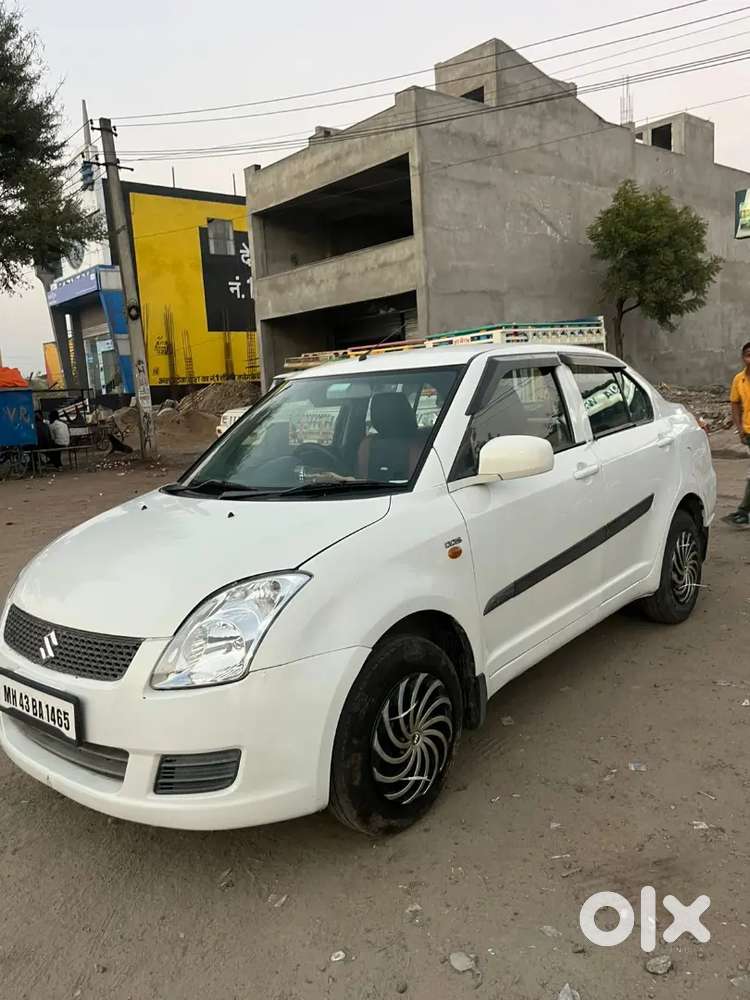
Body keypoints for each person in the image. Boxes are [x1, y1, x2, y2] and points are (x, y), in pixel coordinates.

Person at [722, 341, 750, 527]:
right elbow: (735, 405)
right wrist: (740, 429)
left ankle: (743, 511)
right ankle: (743, 512)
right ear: (743, 357)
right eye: (748, 354)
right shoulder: (738, 380)